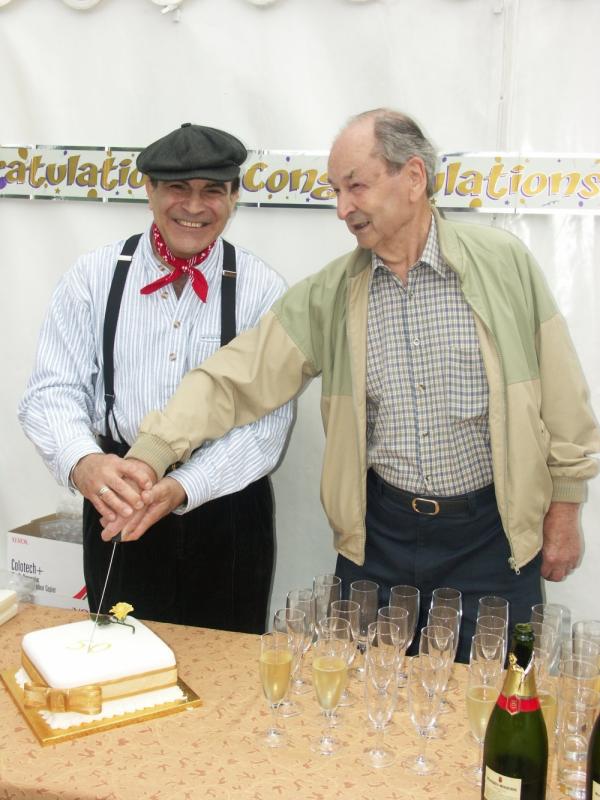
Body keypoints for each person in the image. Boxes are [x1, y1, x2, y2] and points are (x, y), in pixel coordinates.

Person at [114, 109, 598, 661]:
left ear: (413, 178)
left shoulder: (502, 265)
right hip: (380, 542)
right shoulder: (331, 294)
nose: (343, 208)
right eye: (336, 191)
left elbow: (562, 395)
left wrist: (565, 507)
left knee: (492, 709)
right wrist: (153, 453)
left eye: (356, 186)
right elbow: (233, 378)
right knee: (365, 717)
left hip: (491, 539)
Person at [19, 122, 293, 633]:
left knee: (226, 674)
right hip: (117, 500)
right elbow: (51, 391)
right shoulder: (94, 276)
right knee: (120, 669)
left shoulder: (262, 288)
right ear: (148, 190)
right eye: (178, 189)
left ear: (234, 196)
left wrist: (183, 486)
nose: (194, 206)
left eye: (212, 191)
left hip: (226, 509)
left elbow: (266, 426)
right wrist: (86, 464)